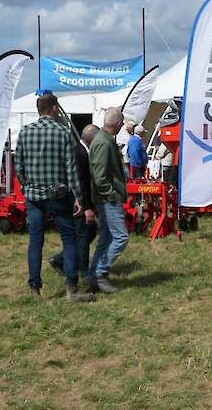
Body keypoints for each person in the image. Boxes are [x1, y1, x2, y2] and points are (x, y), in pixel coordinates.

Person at [15, 94, 92, 302]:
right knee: (69, 239)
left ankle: (35, 288)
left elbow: (18, 166)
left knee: (35, 242)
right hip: (59, 194)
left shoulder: (25, 132)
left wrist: (26, 185)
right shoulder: (63, 133)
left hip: (34, 196)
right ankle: (71, 289)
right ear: (54, 108)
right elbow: (71, 169)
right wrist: (78, 197)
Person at [49, 125, 99, 284]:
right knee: (83, 235)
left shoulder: (79, 150)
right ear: (92, 138)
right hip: (78, 203)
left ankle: (62, 259)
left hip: (77, 201)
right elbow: (81, 183)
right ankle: (82, 270)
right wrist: (86, 207)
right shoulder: (81, 154)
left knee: (90, 231)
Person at [87, 108, 129, 294]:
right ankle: (99, 273)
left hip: (104, 198)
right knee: (120, 237)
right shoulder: (104, 143)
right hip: (107, 199)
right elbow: (100, 176)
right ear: (118, 124)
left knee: (105, 238)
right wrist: (112, 195)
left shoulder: (104, 140)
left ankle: (93, 275)